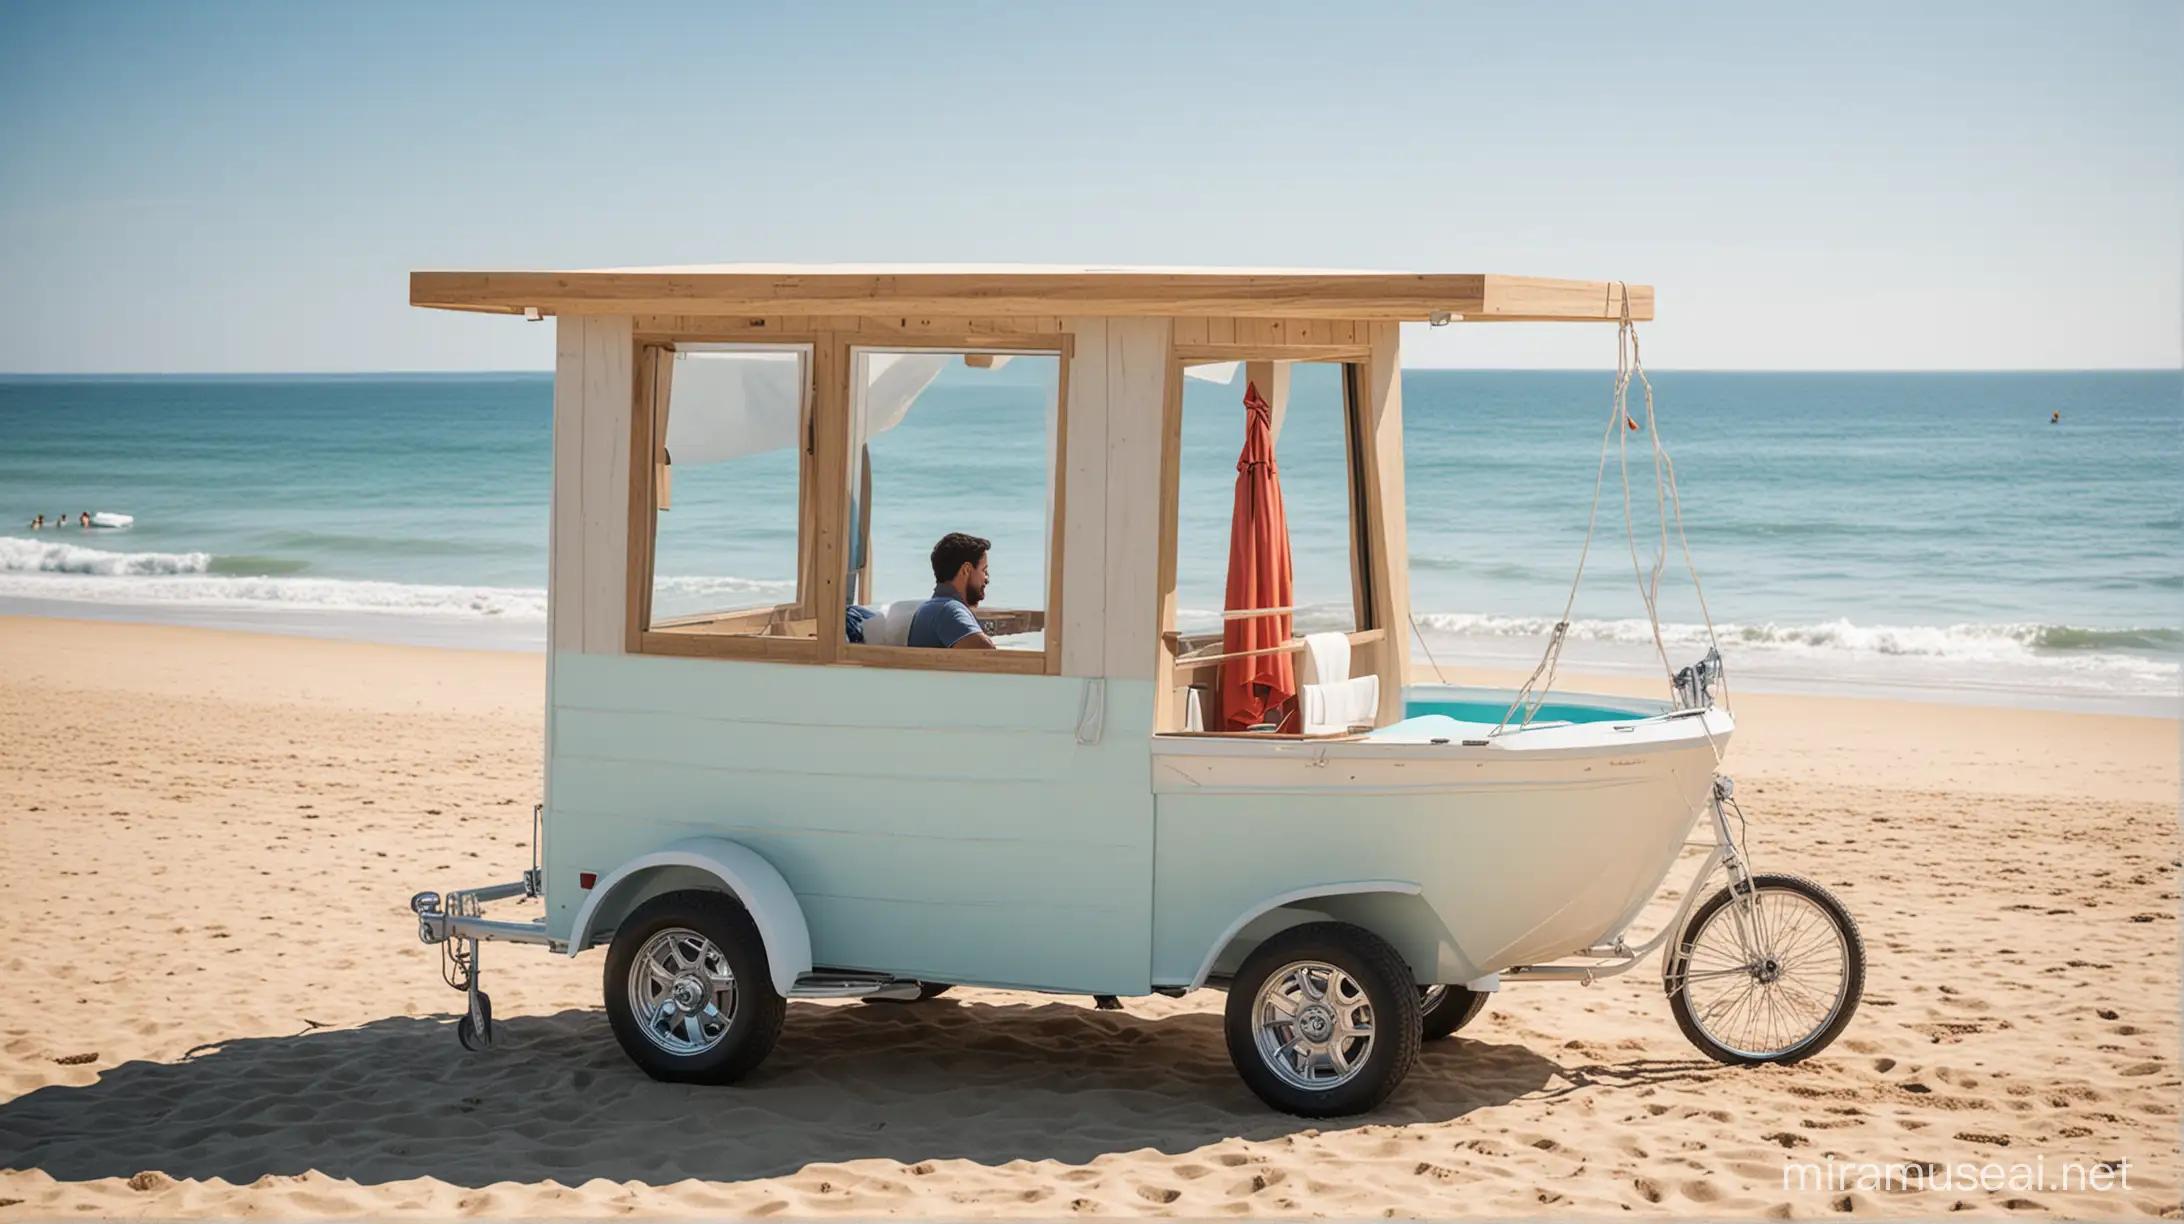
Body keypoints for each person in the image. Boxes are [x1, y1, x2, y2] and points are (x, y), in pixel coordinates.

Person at [907, 532, 996, 650]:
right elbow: (988, 654)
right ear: (966, 570)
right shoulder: (948, 610)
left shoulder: (932, 608)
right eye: (984, 571)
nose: (987, 579)